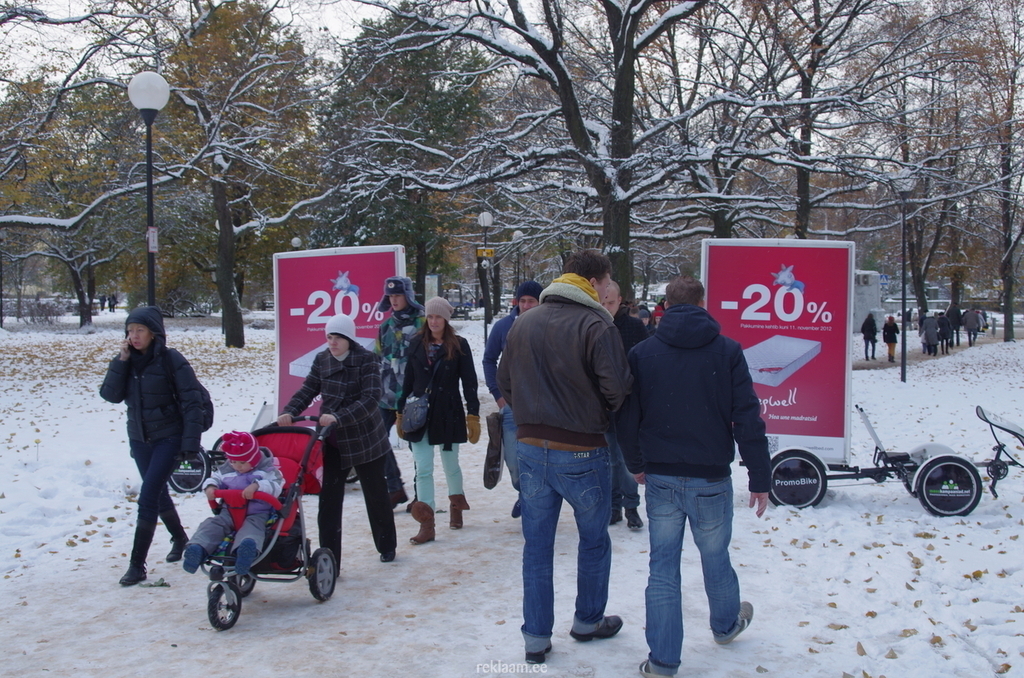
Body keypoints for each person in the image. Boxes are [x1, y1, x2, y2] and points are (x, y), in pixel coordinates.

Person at [615, 276, 770, 678]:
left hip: (662, 476)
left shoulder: (643, 353)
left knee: (662, 568)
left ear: (665, 305)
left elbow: (627, 418)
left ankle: (663, 661)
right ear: (703, 302)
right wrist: (760, 476)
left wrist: (635, 463)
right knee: (715, 557)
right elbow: (747, 417)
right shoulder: (727, 352)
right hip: (710, 478)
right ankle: (725, 625)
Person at [497, 249, 633, 665]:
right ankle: (587, 621)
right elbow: (617, 388)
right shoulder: (597, 324)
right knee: (593, 540)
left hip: (532, 448)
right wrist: (592, 411)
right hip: (583, 449)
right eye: (608, 282)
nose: (610, 289)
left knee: (536, 547)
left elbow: (504, 380)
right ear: (595, 282)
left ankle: (535, 638)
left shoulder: (525, 321)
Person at [278, 314, 398, 567]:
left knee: (376, 495)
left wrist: (339, 417)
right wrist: (289, 411)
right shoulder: (322, 360)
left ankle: (387, 545)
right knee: (329, 502)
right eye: (329, 337)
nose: (332, 342)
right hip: (333, 443)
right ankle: (330, 559)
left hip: (365, 440)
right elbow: (308, 389)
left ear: (349, 338)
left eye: (337, 337)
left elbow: (370, 399)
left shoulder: (366, 360)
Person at [99, 306, 204, 586]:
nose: (133, 336)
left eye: (139, 330)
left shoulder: (171, 360)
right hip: (140, 438)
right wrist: (120, 362)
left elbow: (193, 402)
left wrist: (190, 443)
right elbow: (110, 395)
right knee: (156, 494)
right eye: (130, 330)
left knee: (147, 496)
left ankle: (137, 565)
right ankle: (181, 538)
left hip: (169, 438)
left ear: (154, 333)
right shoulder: (127, 361)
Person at [398, 297, 481, 544]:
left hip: (448, 414)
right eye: (430, 317)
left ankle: (456, 505)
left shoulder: (459, 345)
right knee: (422, 468)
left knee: (450, 465)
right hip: (420, 414)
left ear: (446, 319)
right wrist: (401, 412)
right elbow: (408, 381)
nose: (434, 321)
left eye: (438, 317)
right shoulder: (415, 344)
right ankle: (427, 522)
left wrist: (472, 414)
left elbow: (470, 383)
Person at [182, 431, 285, 576]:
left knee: (252, 529)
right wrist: (211, 487)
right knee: (212, 525)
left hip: (257, 512)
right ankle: (198, 548)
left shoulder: (266, 470)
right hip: (229, 511)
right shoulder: (227, 469)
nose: (237, 466)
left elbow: (277, 484)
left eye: (243, 462)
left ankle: (245, 552)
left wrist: (257, 486)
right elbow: (215, 478)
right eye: (233, 462)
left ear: (254, 459)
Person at [482, 280, 543, 518]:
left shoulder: (548, 325)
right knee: (515, 463)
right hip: (511, 407)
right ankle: (523, 492)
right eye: (523, 301)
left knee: (538, 458)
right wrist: (497, 395)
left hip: (541, 407)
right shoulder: (503, 327)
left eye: (532, 301)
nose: (527, 305)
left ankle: (532, 502)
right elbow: (489, 360)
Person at [374, 276, 425, 508]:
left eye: (398, 295)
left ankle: (421, 493)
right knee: (376, 441)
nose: (393, 300)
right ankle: (394, 488)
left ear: (408, 296)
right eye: (390, 296)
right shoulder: (384, 327)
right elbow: (376, 360)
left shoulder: (422, 325)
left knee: (418, 446)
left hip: (412, 397)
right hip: (386, 398)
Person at [601, 280, 647, 529]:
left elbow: (643, 365)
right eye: (603, 302)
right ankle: (613, 506)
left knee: (628, 458)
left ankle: (631, 506)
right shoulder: (593, 325)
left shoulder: (634, 327)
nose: (606, 306)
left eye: (610, 302)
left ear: (620, 301)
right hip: (603, 406)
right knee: (609, 459)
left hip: (629, 405)